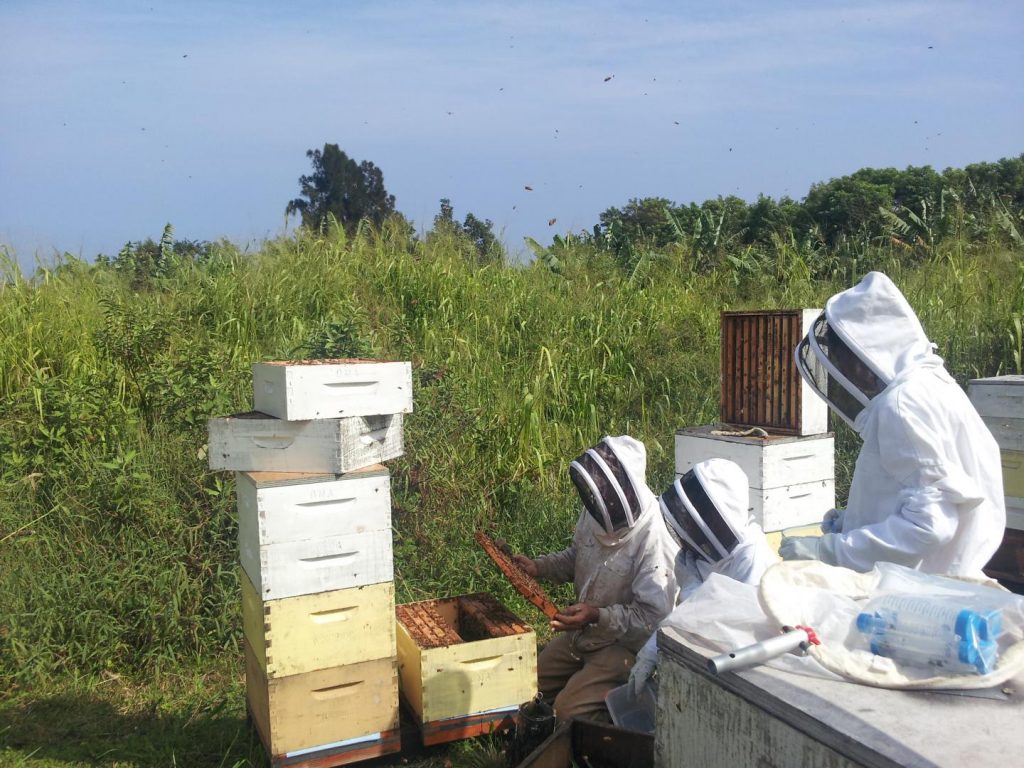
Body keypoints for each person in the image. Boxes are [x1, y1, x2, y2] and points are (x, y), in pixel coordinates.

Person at [781, 271, 1005, 577]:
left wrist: (830, 551)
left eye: (842, 362)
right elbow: (924, 487)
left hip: (919, 591)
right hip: (943, 581)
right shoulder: (931, 383)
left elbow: (929, 526)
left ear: (861, 356)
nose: (842, 373)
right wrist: (857, 519)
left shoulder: (900, 405)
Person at [513, 435, 677, 724]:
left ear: (626, 490)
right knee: (523, 689)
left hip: (624, 649)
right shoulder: (598, 507)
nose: (595, 501)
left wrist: (597, 616)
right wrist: (538, 568)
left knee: (565, 712)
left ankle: (623, 715)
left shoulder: (654, 538)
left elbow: (652, 620)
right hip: (583, 634)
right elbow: (577, 555)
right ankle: (580, 688)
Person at [629, 458, 778, 694]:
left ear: (717, 514)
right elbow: (686, 616)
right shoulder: (704, 555)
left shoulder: (752, 560)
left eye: (692, 517)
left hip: (752, 675)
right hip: (712, 662)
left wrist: (690, 588)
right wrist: (650, 651)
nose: (686, 526)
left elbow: (730, 630)